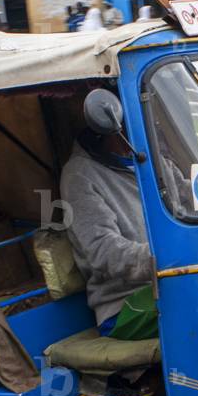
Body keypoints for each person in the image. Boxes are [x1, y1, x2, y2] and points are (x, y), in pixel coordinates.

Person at [61, 90, 158, 341]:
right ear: (113, 126)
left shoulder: (150, 159)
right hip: (124, 305)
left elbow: (188, 198)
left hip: (168, 285)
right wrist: (161, 257)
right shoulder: (79, 175)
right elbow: (103, 251)